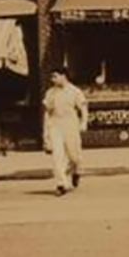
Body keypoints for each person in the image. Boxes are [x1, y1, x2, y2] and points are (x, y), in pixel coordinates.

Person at [43, 68, 88, 196]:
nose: (53, 79)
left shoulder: (74, 91)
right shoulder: (50, 93)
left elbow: (83, 108)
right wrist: (45, 132)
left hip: (71, 125)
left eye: (55, 76)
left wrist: (83, 122)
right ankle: (61, 184)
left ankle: (76, 171)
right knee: (58, 157)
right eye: (52, 77)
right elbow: (47, 113)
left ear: (64, 76)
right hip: (56, 126)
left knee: (74, 156)